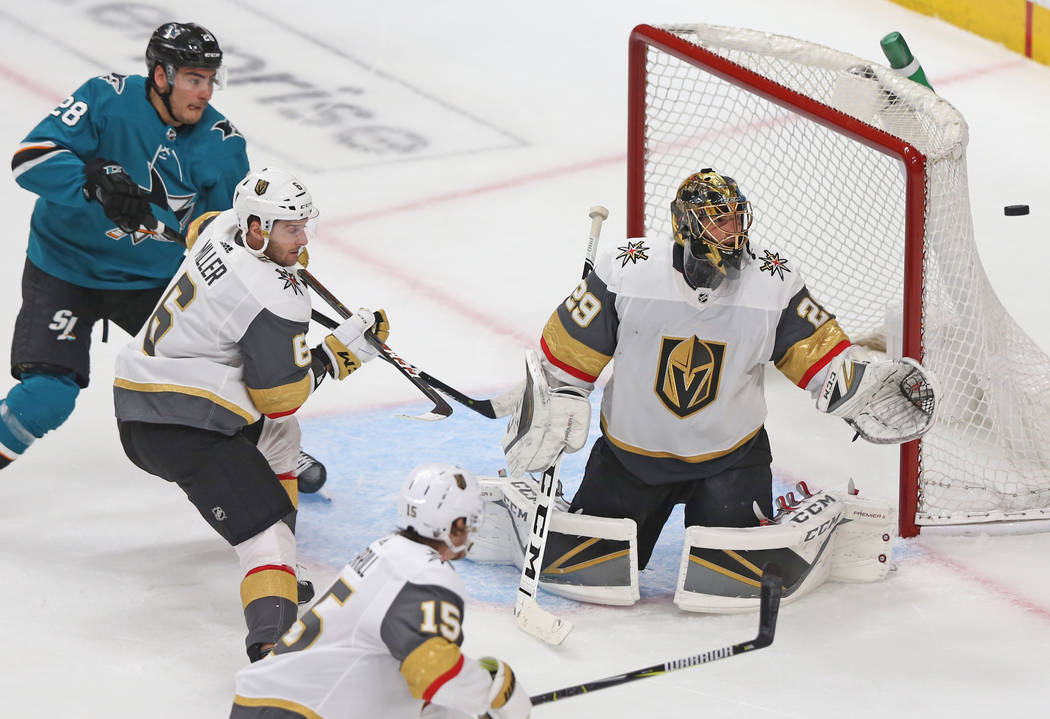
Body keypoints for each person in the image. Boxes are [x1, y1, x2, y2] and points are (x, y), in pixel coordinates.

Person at [503, 169, 936, 573]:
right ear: (685, 225)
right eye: (717, 221)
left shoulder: (773, 280)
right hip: (631, 457)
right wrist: (555, 400)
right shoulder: (627, 269)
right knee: (589, 566)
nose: (732, 232)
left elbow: (821, 359)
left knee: (734, 574)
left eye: (735, 219)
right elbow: (563, 359)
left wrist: (859, 386)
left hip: (730, 460)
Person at [112, 167, 391, 661]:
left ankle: (283, 570)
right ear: (257, 228)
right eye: (291, 228)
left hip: (145, 398)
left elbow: (198, 230)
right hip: (180, 428)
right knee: (267, 541)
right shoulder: (276, 296)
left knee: (282, 435)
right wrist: (335, 355)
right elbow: (278, 394)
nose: (303, 239)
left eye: (305, 224)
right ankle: (271, 656)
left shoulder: (221, 229)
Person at [0, 22, 247, 471]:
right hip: (64, 268)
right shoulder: (105, 97)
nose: (206, 91)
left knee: (225, 371)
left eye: (211, 79)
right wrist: (93, 184)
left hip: (150, 284)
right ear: (161, 76)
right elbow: (28, 159)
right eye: (195, 78)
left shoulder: (222, 146)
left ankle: (269, 451)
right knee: (47, 397)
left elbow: (223, 240)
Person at [230, 463, 532, 719]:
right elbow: (433, 672)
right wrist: (491, 692)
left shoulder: (386, 552)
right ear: (457, 524)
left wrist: (465, 703)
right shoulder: (426, 576)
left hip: (270, 702)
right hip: (297, 710)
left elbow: (402, 678)